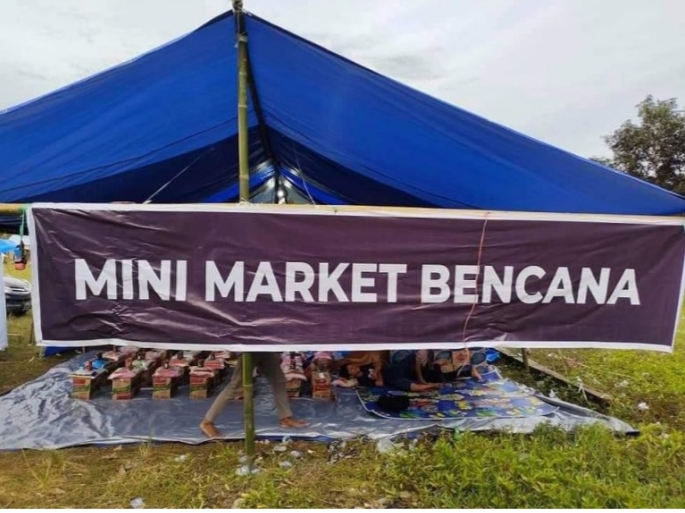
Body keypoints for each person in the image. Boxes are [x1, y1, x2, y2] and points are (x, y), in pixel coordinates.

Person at [200, 352, 307, 438]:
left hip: (263, 347)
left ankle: (285, 417)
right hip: (249, 348)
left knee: (278, 380)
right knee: (234, 386)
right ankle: (207, 422)